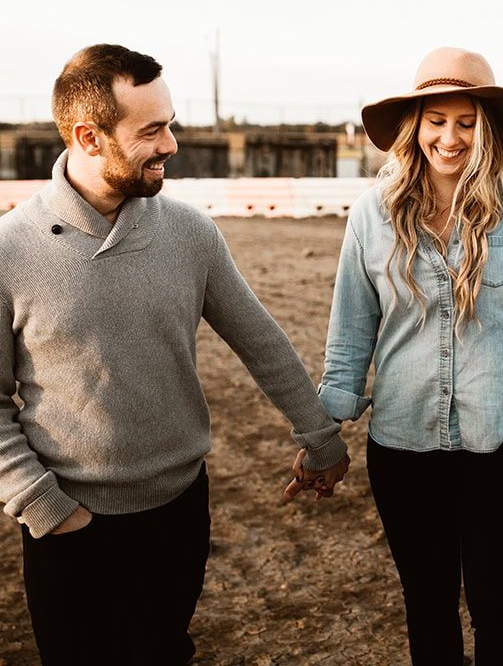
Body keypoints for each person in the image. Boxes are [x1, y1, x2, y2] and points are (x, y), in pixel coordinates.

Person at [0, 43, 349, 666]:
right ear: (88, 136)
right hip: (66, 519)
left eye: (171, 124)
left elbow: (261, 342)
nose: (171, 144)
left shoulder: (190, 232)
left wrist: (322, 437)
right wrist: (44, 507)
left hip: (179, 510)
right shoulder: (10, 250)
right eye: (152, 130)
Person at [314, 47, 503, 666]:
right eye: (437, 120)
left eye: (466, 121)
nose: (449, 137)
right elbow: (350, 333)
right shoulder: (371, 214)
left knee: (501, 605)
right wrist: (324, 432)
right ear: (416, 124)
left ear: (485, 127)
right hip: (403, 446)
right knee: (427, 606)